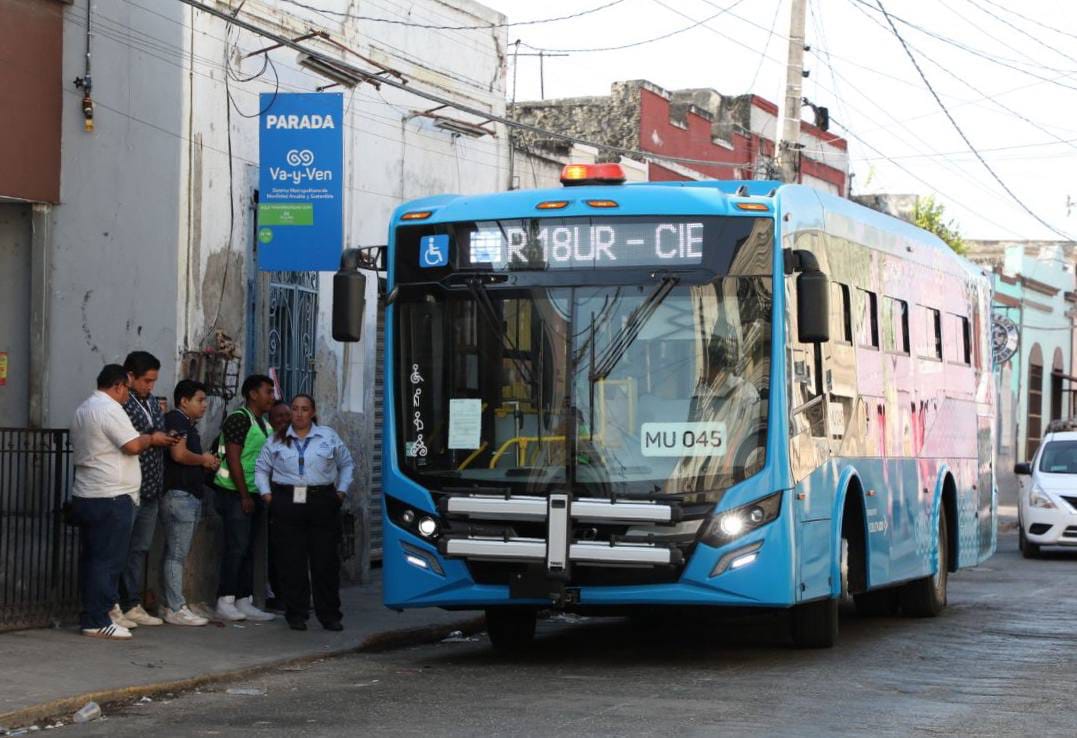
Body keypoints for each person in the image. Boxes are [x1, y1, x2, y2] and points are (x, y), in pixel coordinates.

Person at [70, 364, 177, 639]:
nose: (128, 396)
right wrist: (151, 438)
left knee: (95, 559)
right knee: (107, 560)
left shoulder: (85, 408)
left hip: (90, 493)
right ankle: (97, 618)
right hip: (110, 496)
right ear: (118, 386)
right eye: (126, 390)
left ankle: (95, 615)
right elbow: (131, 445)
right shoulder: (108, 409)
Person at [255, 394, 354, 631]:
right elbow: (261, 468)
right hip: (287, 501)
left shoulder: (327, 437)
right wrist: (267, 495)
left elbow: (347, 464)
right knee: (291, 561)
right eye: (295, 409)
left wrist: (341, 491)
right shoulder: (277, 439)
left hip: (321, 501)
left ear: (313, 412)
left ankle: (329, 615)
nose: (299, 414)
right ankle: (296, 613)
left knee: (325, 561)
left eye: (304, 409)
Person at [211, 374, 276, 622]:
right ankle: (225, 600)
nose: (272, 397)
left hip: (254, 493)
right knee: (236, 548)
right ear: (252, 394)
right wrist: (244, 495)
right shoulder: (239, 419)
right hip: (235, 493)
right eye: (267, 392)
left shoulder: (263, 423)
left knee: (249, 549)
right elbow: (234, 458)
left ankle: (243, 599)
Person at [160, 380, 220, 626]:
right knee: (176, 555)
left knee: (175, 554)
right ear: (184, 401)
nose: (204, 405)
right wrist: (203, 459)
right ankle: (175, 607)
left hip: (187, 496)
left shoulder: (186, 423)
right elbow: (179, 454)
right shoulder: (177, 421)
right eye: (200, 400)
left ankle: (170, 603)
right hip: (179, 496)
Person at [118, 351, 169, 628]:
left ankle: (133, 603)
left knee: (140, 548)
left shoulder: (151, 402)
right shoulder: (123, 403)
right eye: (146, 381)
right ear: (130, 377)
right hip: (130, 487)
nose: (150, 386)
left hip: (152, 486)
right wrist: (152, 439)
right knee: (122, 548)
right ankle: (120, 602)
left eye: (153, 381)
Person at [265, 400, 292, 613]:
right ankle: (278, 595)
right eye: (278, 417)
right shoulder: (269, 441)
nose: (283, 420)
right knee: (276, 553)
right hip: (275, 503)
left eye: (286, 415)